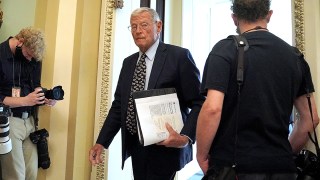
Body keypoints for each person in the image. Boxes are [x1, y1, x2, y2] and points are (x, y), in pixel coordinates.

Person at [196, 0, 319, 180]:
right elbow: (311, 118)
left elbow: (212, 109)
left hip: (233, 168)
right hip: (282, 170)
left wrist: (201, 154)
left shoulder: (224, 50)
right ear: (269, 15)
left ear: (234, 18)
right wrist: (283, 153)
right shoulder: (295, 56)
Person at [89, 7, 204, 180]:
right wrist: (102, 142)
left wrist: (185, 137)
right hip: (137, 147)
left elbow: (198, 102)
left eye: (143, 25)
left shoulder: (178, 57)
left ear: (159, 26)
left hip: (166, 148)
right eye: (133, 27)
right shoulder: (128, 63)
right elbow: (119, 105)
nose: (138, 31)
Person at [0, 27, 57, 180]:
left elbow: (35, 85)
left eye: (33, 57)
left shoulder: (33, 58)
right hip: (8, 122)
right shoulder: (1, 55)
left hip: (30, 122)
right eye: (28, 54)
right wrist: (25, 100)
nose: (29, 59)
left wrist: (43, 97)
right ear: (20, 42)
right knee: (15, 176)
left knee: (31, 175)